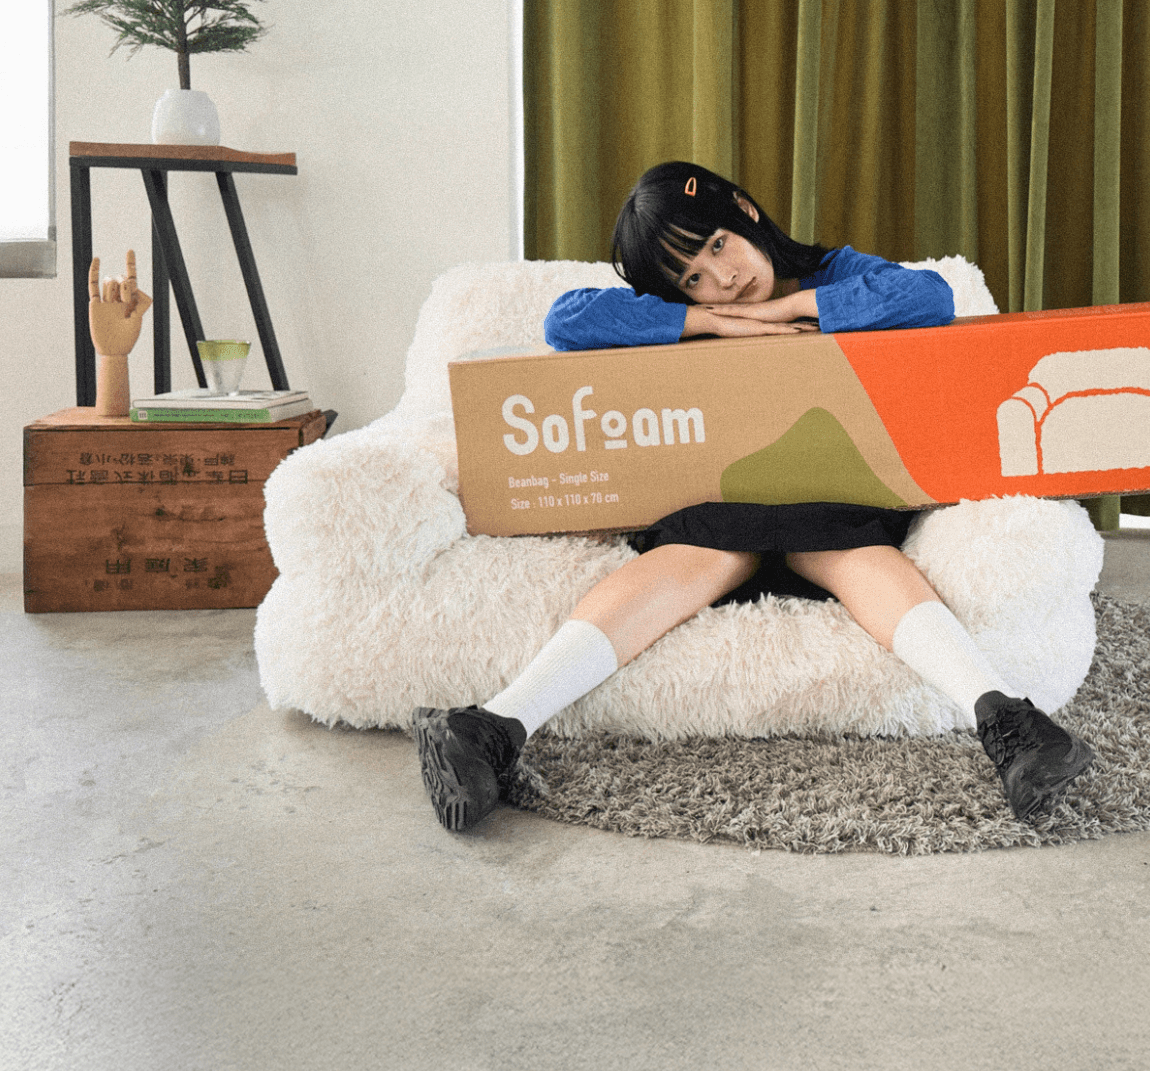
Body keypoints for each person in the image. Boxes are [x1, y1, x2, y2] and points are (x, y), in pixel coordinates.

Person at [413, 162, 1094, 832]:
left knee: (846, 549)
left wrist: (788, 309)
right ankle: (494, 726)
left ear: (744, 211)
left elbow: (929, 298)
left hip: (832, 500)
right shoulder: (695, 312)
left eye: (718, 245)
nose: (723, 279)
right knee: (707, 551)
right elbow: (568, 320)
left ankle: (1009, 723)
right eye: (692, 277)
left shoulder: (834, 273)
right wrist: (707, 323)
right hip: (718, 506)